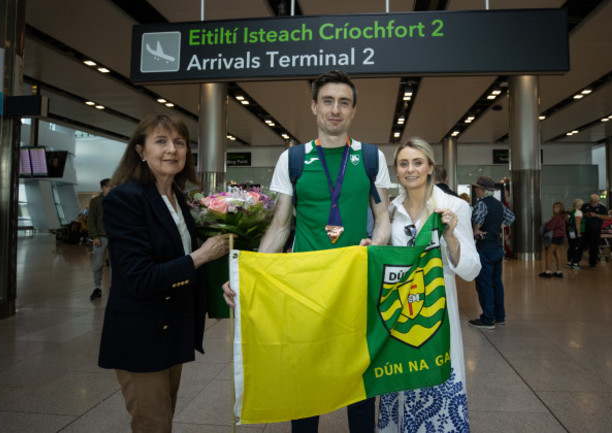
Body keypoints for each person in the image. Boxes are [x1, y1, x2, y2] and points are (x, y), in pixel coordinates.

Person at [223, 70, 391, 433]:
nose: (335, 110)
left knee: (361, 377)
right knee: (305, 377)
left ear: (353, 111)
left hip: (354, 283)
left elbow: (382, 218)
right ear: (314, 106)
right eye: (328, 101)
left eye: (344, 103)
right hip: (306, 287)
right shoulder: (294, 159)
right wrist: (246, 276)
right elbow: (281, 226)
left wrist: (375, 247)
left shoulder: (372, 158)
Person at [97, 114, 231, 433]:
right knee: (153, 424)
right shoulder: (125, 198)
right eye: (161, 141)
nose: (172, 149)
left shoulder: (178, 199)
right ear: (141, 151)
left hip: (172, 328)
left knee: (164, 418)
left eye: (179, 142)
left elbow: (181, 257)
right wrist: (201, 256)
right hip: (141, 334)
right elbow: (139, 277)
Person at [377, 137, 480, 433]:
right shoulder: (389, 211)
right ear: (396, 170)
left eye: (417, 162)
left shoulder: (454, 207)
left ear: (431, 167)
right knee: (398, 387)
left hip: (437, 316)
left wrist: (450, 238)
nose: (411, 169)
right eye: (404, 163)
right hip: (398, 319)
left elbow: (472, 270)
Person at [468, 176, 515, 329]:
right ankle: (499, 316)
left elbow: (478, 218)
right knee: (496, 283)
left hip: (485, 248)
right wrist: (497, 226)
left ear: (482, 190)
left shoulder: (481, 204)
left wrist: (476, 230)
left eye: (477, 188)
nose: (476, 191)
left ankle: (488, 318)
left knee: (484, 284)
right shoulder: (499, 204)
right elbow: (511, 218)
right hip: (497, 247)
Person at [88, 178, 111, 301]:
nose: (110, 188)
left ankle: (114, 288)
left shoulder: (117, 200)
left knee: (116, 265)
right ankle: (97, 288)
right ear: (102, 187)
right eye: (108, 186)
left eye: (112, 186)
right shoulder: (95, 201)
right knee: (98, 264)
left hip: (115, 238)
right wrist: (94, 236)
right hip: (101, 237)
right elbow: (90, 219)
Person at [539, 201, 566, 278]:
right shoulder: (562, 217)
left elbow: (549, 227)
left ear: (561, 208)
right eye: (554, 207)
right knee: (557, 253)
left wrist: (545, 227)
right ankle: (559, 271)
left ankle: (548, 271)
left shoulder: (556, 217)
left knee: (549, 253)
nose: (554, 208)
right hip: (560, 237)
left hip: (555, 236)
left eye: (557, 207)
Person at [580, 194, 608, 267]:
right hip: (585, 229)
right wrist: (586, 214)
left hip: (595, 230)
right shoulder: (585, 206)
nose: (593, 203)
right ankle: (576, 260)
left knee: (594, 247)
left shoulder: (602, 208)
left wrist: (596, 215)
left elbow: (606, 217)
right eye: (592, 201)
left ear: (598, 201)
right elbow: (580, 214)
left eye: (595, 201)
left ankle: (592, 262)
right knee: (581, 246)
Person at [565, 198, 584, 269]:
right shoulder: (578, 212)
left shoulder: (570, 211)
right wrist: (579, 232)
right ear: (579, 205)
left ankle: (569, 262)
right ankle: (575, 263)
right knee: (576, 246)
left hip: (570, 232)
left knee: (571, 246)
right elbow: (578, 223)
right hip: (575, 231)